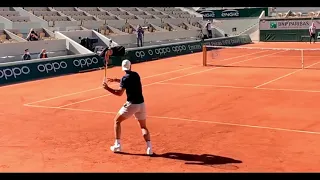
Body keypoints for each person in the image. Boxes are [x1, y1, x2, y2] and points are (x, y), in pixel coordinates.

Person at [102, 59, 153, 155]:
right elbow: (127, 81)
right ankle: (149, 148)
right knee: (143, 126)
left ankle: (117, 145)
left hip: (131, 104)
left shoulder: (125, 79)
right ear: (131, 66)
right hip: (141, 104)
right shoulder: (136, 75)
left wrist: (107, 88)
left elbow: (119, 93)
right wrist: (116, 80)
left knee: (117, 121)